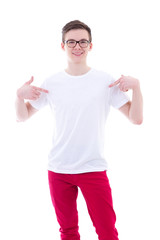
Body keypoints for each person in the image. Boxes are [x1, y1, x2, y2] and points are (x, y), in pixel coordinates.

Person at [15, 20, 143, 240]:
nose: (77, 46)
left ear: (90, 46)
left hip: (92, 168)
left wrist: (137, 87)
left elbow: (136, 118)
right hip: (58, 169)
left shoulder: (105, 81)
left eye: (83, 41)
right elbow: (22, 116)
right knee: (68, 232)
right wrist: (18, 95)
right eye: (71, 41)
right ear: (63, 46)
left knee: (107, 232)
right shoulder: (52, 82)